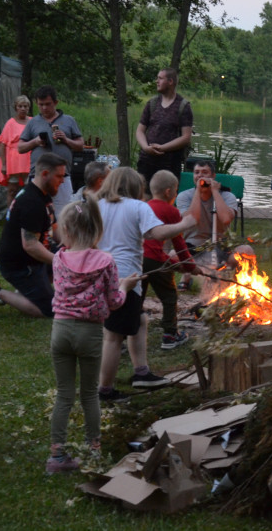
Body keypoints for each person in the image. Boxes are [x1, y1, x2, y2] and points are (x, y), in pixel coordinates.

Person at [46, 196, 141, 474]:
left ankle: (57, 455)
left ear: (66, 229)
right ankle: (94, 449)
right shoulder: (107, 261)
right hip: (89, 332)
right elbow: (114, 302)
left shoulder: (58, 258)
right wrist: (125, 285)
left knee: (64, 394)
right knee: (89, 394)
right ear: (98, 228)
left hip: (60, 330)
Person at [96, 167, 196, 402]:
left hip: (104, 273)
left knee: (140, 318)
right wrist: (185, 223)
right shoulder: (137, 206)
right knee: (113, 336)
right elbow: (157, 233)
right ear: (135, 187)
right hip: (124, 277)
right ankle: (105, 391)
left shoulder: (97, 205)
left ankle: (142, 373)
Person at [0, 152, 67, 318]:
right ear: (44, 174)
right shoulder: (31, 202)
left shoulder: (42, 194)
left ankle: (27, 291)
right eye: (59, 176)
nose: (62, 181)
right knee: (50, 310)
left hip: (34, 259)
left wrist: (70, 248)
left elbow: (54, 227)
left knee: (66, 255)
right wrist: (60, 261)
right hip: (21, 266)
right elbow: (30, 245)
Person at [175, 159, 251, 292]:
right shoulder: (184, 196)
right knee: (172, 257)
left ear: (213, 176)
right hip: (194, 247)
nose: (200, 176)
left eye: (205, 172)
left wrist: (215, 192)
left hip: (221, 246)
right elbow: (191, 219)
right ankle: (186, 275)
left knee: (247, 251)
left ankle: (239, 285)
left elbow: (226, 219)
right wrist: (198, 192)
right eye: (197, 172)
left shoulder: (227, 196)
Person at [144, 170, 196, 350]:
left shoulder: (145, 207)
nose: (175, 194)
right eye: (176, 191)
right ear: (168, 192)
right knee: (169, 295)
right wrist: (190, 266)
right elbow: (179, 243)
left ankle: (127, 333)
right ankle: (170, 334)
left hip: (137, 259)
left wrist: (176, 265)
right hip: (154, 259)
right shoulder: (171, 211)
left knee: (137, 297)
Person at [18, 86, 84, 216]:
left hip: (62, 177)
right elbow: (20, 147)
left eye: (47, 104)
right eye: (40, 104)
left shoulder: (69, 120)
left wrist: (66, 140)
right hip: (38, 177)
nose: (44, 108)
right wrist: (35, 142)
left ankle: (61, 235)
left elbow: (80, 145)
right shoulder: (33, 122)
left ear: (55, 103)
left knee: (64, 212)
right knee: (36, 211)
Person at [135, 67, 193, 185]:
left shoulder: (183, 106)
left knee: (166, 198)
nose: (157, 81)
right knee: (143, 197)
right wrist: (146, 148)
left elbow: (186, 137)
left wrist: (162, 148)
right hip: (146, 162)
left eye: (160, 78)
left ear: (170, 82)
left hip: (169, 165)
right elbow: (140, 131)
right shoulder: (152, 103)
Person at [0, 96, 32, 205]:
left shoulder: (32, 121)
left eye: (25, 106)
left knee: (28, 189)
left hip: (28, 159)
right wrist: (4, 165)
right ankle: (10, 215)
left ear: (28, 108)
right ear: (16, 108)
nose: (23, 109)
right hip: (13, 161)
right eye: (20, 106)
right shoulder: (10, 123)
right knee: (12, 190)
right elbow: (2, 144)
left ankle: (26, 213)